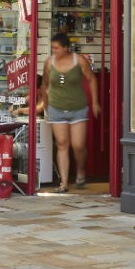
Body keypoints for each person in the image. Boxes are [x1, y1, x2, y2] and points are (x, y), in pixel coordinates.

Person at [33, 33, 100, 193]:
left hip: (78, 108)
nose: (53, 50)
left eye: (56, 48)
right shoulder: (49, 62)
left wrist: (95, 101)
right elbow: (45, 83)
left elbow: (91, 79)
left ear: (65, 48)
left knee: (78, 145)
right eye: (52, 48)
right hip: (56, 108)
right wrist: (46, 104)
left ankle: (81, 171)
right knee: (62, 144)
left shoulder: (79, 61)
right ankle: (63, 183)